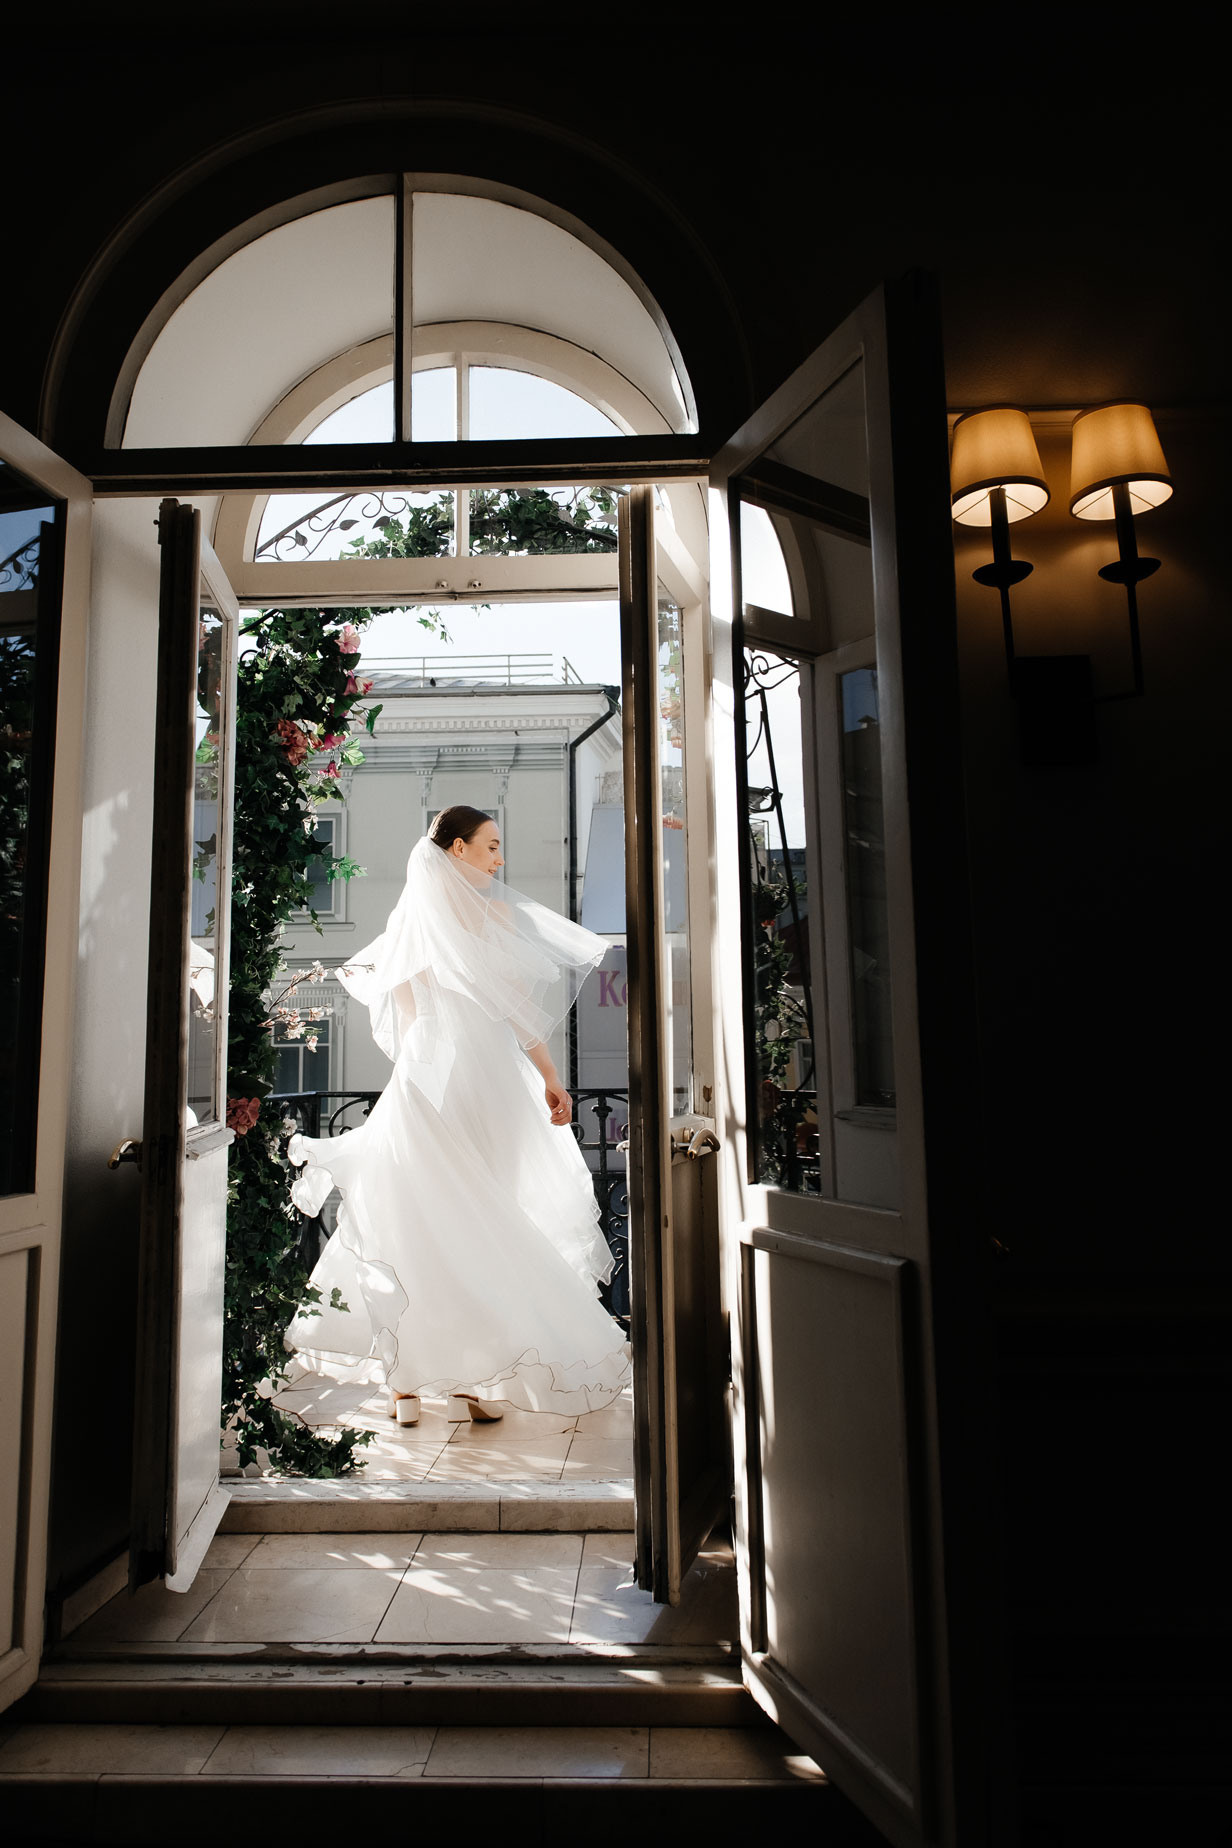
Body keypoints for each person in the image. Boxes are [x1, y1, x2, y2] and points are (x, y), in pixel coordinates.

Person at [282, 805, 631, 1426]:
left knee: (484, 1221)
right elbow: (428, 1006)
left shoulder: (489, 913)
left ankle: (468, 1377)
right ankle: (406, 1381)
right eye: (492, 846)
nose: (501, 859)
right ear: (457, 849)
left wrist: (549, 1078)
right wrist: (527, 1074)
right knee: (419, 1219)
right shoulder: (419, 922)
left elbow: (512, 1010)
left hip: (478, 1079)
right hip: (438, 1081)